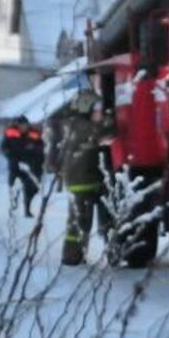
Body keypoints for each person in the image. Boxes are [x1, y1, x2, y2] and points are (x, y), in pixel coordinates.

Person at [60, 91, 113, 266]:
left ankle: (77, 254)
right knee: (79, 222)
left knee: (85, 221)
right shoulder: (79, 125)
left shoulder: (76, 124)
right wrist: (112, 120)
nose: (99, 113)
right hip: (81, 181)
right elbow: (101, 132)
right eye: (96, 109)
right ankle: (72, 256)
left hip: (88, 179)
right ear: (85, 108)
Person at [20, 121, 46, 218]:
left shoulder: (35, 135)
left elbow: (42, 146)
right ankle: (27, 209)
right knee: (27, 188)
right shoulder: (19, 136)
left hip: (37, 165)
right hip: (26, 166)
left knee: (36, 188)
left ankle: (27, 204)